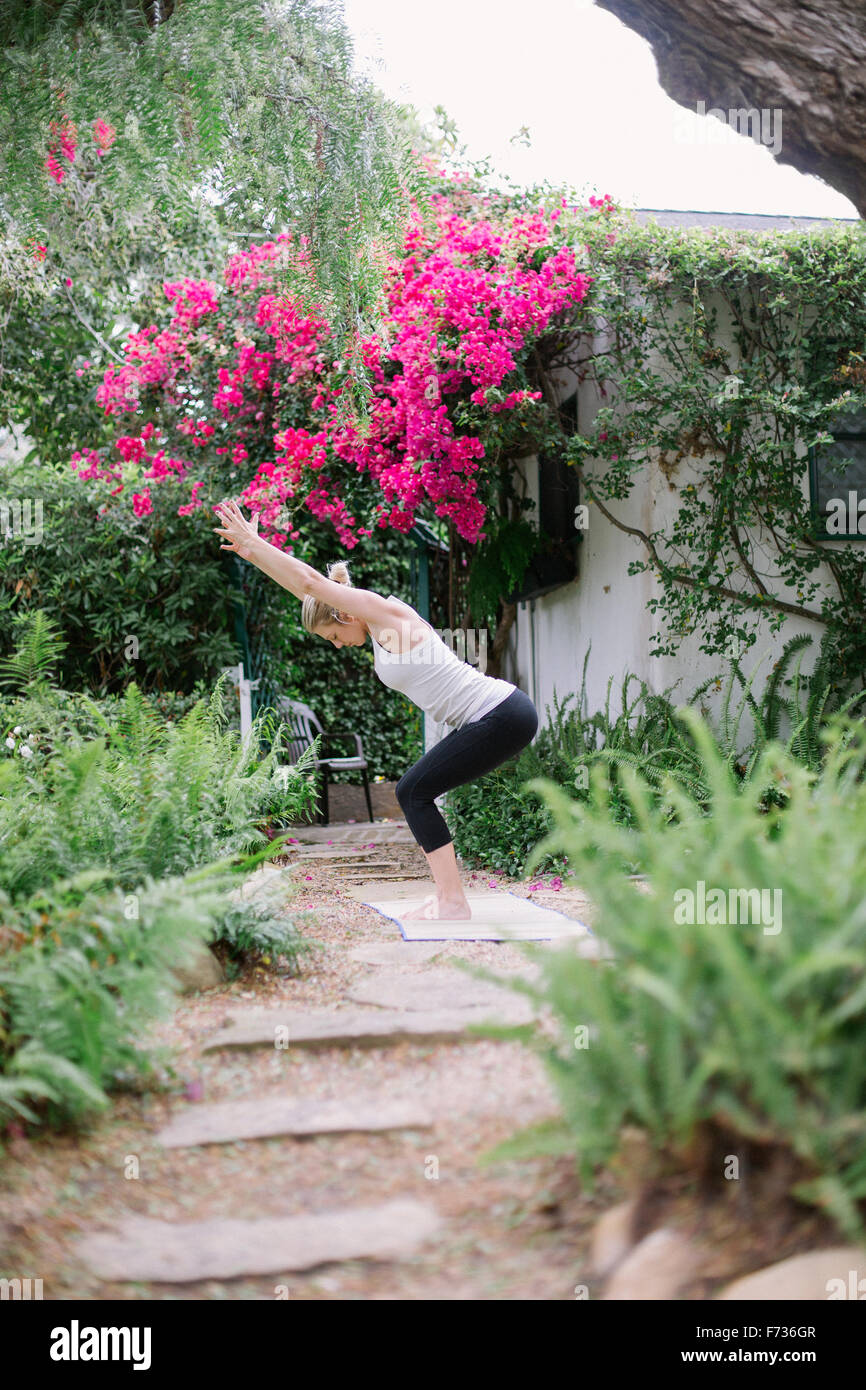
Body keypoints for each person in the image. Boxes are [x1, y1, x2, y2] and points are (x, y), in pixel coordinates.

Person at [213, 499, 538, 920]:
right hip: (493, 716)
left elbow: (311, 582)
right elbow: (305, 591)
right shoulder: (363, 621)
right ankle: (448, 897)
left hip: (501, 713)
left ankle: (453, 901)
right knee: (417, 790)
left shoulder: (383, 613)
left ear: (344, 615)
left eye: (332, 635)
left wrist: (257, 541)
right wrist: (251, 554)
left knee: (412, 791)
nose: (335, 644)